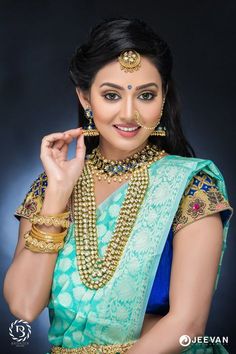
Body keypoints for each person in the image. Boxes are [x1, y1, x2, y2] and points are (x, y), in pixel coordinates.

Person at [3, 17, 234, 354]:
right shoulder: (52, 184)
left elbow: (188, 325)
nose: (129, 114)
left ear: (163, 97)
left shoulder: (191, 187)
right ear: (85, 98)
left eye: (146, 95)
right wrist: (56, 197)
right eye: (111, 95)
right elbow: (23, 305)